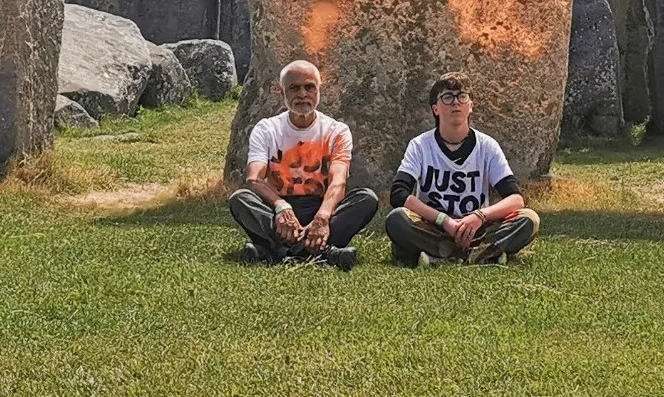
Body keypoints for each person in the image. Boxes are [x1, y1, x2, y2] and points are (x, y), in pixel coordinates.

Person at [230, 60, 379, 269]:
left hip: (320, 205)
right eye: (294, 88)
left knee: (366, 198)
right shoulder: (266, 129)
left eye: (309, 87)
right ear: (281, 91)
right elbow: (254, 178)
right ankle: (324, 252)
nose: (302, 94)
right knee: (241, 199)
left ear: (319, 90)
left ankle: (276, 251)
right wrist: (281, 207)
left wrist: (323, 217)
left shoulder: (337, 131)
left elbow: (338, 181)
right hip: (279, 207)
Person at [385, 74, 539, 266]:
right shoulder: (420, 145)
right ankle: (481, 254)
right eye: (447, 97)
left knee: (528, 219)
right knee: (397, 219)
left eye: (462, 96)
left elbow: (516, 199)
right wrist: (445, 221)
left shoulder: (487, 146)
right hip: (435, 227)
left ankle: (445, 255)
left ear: (470, 106)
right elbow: (399, 194)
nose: (455, 103)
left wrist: (479, 217)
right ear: (436, 109)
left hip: (476, 228)